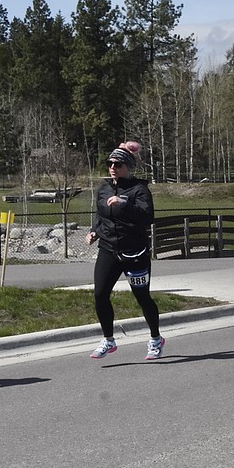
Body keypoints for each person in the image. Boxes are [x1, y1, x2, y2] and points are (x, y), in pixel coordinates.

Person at [85, 141, 165, 361]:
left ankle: (156, 339)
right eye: (110, 163)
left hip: (134, 253)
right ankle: (108, 340)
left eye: (118, 163)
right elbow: (101, 216)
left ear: (127, 166)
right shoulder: (104, 189)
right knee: (100, 294)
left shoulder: (139, 190)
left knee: (142, 298)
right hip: (109, 249)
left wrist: (124, 203)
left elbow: (147, 217)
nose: (112, 166)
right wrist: (94, 232)